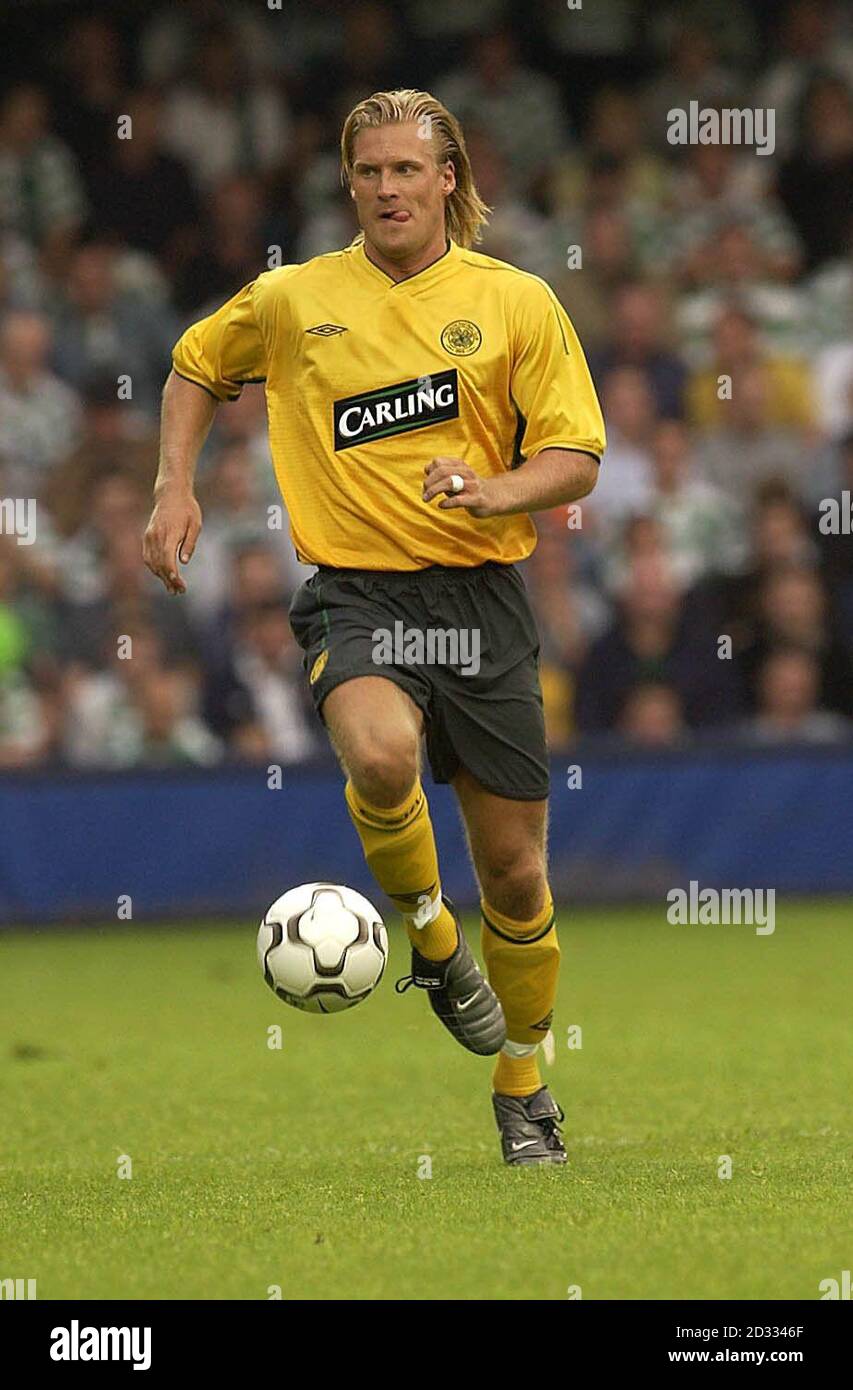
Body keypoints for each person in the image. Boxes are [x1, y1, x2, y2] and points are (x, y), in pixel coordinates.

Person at [143, 88, 605, 1166]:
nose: (389, 188)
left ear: (449, 180)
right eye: (370, 172)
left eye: (408, 169)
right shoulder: (296, 297)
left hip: (484, 603)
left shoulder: (515, 300)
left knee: (521, 880)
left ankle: (523, 1080)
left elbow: (576, 455)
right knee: (381, 753)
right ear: (347, 184)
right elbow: (191, 368)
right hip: (357, 593)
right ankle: (435, 944)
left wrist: (497, 491)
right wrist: (175, 485)